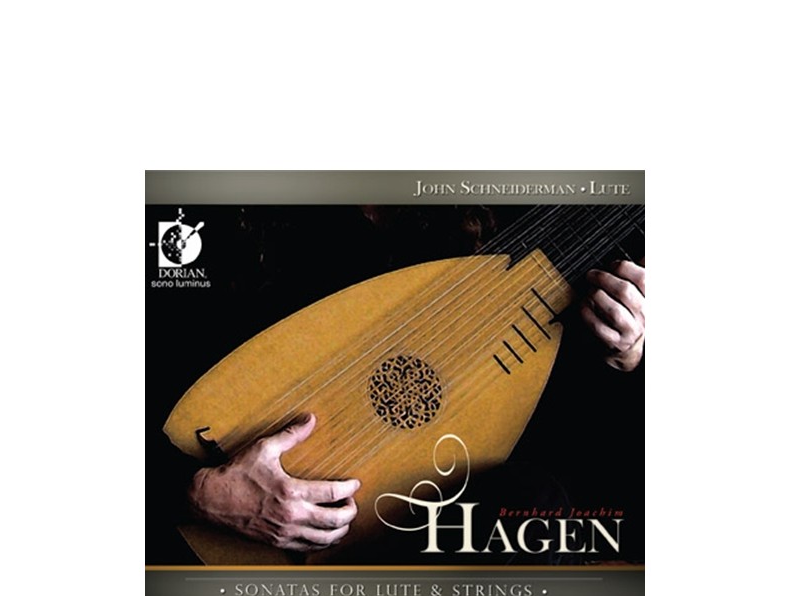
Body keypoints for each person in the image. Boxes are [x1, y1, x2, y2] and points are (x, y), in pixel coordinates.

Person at [169, 206, 645, 558]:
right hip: (209, 550)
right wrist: (199, 493)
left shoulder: (513, 214)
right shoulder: (218, 217)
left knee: (534, 505)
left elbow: (599, 469)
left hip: (421, 539)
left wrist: (624, 358)